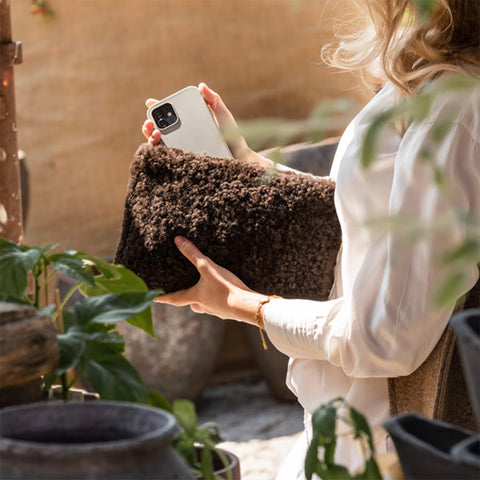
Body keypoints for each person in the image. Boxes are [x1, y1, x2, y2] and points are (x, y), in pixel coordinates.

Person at [142, 1, 480, 477]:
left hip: (381, 447)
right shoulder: (436, 81)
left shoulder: (456, 107)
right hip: (347, 425)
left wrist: (244, 304)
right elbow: (370, 214)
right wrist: (245, 164)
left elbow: (384, 335)